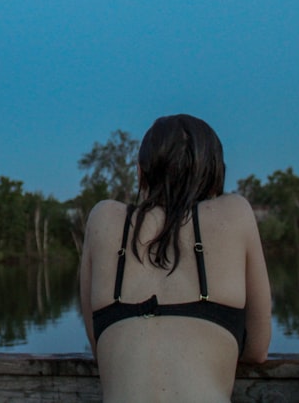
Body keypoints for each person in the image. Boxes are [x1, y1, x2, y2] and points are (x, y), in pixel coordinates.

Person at [80, 115, 271, 402]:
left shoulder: (103, 219)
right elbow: (257, 350)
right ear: (214, 171)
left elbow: (101, 348)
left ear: (140, 172)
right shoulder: (235, 213)